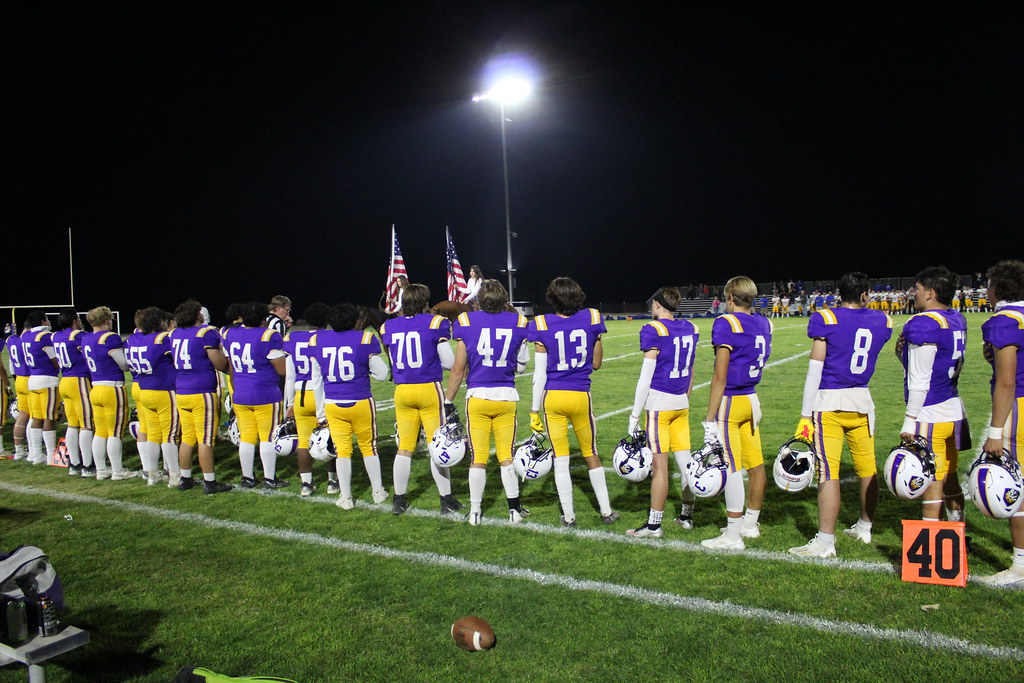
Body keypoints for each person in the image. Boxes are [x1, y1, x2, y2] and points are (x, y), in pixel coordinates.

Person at [788, 272, 893, 558]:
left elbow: (814, 371)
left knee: (828, 473)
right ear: (864, 295)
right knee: (867, 469)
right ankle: (865, 527)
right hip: (862, 400)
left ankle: (825, 541)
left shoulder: (827, 319)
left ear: (839, 294)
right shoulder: (881, 320)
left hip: (829, 402)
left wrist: (804, 414)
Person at [528, 276, 618, 526]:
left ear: (552, 299)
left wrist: (534, 411)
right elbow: (597, 363)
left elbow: (539, 373)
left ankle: (568, 516)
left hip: (553, 396)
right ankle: (606, 511)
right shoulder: (591, 318)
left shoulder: (542, 323)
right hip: (579, 394)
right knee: (591, 454)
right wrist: (596, 339)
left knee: (561, 458)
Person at [444, 279, 531, 525]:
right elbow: (523, 367)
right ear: (504, 300)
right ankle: (514, 510)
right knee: (506, 455)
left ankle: (474, 512)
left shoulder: (466, 322)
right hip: (505, 396)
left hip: (478, 396)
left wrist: (448, 401)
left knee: (478, 457)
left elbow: (458, 370)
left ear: (479, 301)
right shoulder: (519, 322)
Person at [701, 276, 772, 550]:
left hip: (731, 401)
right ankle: (750, 524)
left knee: (731, 467)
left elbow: (720, 377)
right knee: (756, 464)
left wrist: (709, 417)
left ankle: (732, 536)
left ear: (730, 297)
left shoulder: (727, 323)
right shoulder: (765, 323)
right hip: (752, 399)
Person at [380, 283, 462, 514]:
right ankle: (446, 500)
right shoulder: (435, 323)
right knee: (436, 445)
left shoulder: (389, 326)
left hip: (402, 390)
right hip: (428, 389)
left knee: (405, 447)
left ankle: (399, 500)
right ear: (425, 302)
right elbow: (448, 362)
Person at [897, 266, 970, 522]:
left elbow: (920, 379)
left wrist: (909, 419)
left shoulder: (923, 323)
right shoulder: (955, 317)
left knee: (931, 483)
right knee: (951, 479)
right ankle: (958, 535)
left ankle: (934, 551)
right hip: (953, 408)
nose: (913, 293)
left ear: (930, 293)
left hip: (931, 411)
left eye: (917, 289)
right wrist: (903, 355)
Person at [625, 286, 700, 538]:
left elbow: (645, 379)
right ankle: (686, 516)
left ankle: (654, 524)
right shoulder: (691, 328)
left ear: (658, 305)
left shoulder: (653, 330)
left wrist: (635, 414)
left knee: (660, 468)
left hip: (659, 405)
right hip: (681, 403)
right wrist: (684, 397)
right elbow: (691, 369)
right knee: (686, 462)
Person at [309, 303, 390, 508]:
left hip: (333, 403)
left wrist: (320, 412)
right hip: (360, 400)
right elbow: (382, 375)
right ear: (354, 321)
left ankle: (346, 497)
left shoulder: (318, 340)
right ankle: (378, 492)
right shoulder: (364, 338)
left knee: (342, 450)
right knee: (368, 447)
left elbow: (317, 380)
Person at [976, 260, 1024, 585]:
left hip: (1019, 406)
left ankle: (1020, 566)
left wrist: (995, 432)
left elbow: (1006, 382)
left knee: (1016, 488)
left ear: (997, 289)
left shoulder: (1004, 321)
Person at [222, 302, 290, 489]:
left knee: (247, 436)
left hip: (241, 392)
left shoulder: (229, 333)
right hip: (265, 392)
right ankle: (270, 479)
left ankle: (247, 478)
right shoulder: (269, 335)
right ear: (264, 319)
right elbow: (282, 369)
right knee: (267, 436)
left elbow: (230, 366)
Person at [169, 300, 232, 494]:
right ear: (197, 315)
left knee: (187, 438)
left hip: (182, 390)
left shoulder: (175, 334)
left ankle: (185, 478)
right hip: (201, 391)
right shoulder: (205, 333)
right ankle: (210, 482)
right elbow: (219, 364)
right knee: (206, 439)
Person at [125, 307, 182, 487]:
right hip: (164, 390)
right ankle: (174, 475)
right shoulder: (162, 339)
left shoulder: (132, 340)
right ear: (160, 323)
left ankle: (151, 474)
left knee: (152, 434)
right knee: (169, 435)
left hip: (143, 389)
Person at [283, 302, 334, 497]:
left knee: (303, 442)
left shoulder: (293, 337)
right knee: (330, 437)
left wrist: (289, 403)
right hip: (322, 393)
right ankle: (333, 481)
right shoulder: (329, 337)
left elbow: (289, 375)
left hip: (301, 395)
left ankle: (306, 484)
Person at [81, 306, 137, 480]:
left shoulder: (86, 338)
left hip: (95, 387)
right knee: (114, 432)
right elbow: (124, 365)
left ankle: (101, 470)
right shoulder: (109, 338)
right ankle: (118, 471)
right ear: (106, 321)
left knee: (100, 431)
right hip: (111, 387)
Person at [51, 308, 95, 476]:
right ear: (74, 320)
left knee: (73, 424)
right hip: (79, 380)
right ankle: (87, 465)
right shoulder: (77, 336)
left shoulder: (55, 336)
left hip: (65, 380)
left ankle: (74, 464)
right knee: (86, 424)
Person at [21, 311, 61, 465]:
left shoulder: (25, 336)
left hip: (32, 379)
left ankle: (36, 454)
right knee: (49, 417)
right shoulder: (45, 337)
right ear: (43, 321)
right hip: (47, 380)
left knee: (36, 417)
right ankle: (51, 455)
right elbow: (54, 358)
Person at [5, 323, 30, 460]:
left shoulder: (11, 340)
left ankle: (19, 450)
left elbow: (11, 364)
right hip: (29, 378)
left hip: (18, 379)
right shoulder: (28, 340)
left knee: (22, 415)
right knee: (35, 418)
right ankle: (34, 451)